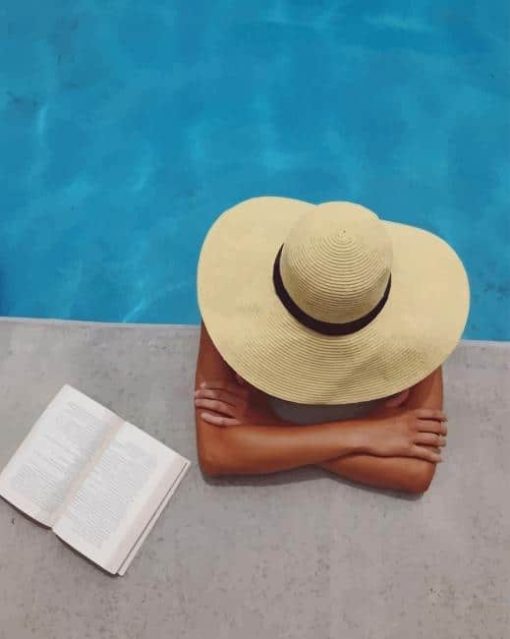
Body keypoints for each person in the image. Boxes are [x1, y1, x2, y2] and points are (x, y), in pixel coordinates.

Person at [194, 197, 469, 493]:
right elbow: (217, 453)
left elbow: (414, 473)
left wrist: (267, 427)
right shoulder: (230, 297)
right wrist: (364, 432)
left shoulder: (419, 321)